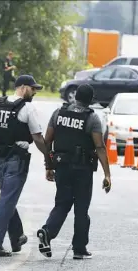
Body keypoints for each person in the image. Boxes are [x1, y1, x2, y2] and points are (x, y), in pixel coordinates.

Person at [0, 75, 48, 257]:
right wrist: (48, 156)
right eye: (33, 88)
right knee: (7, 201)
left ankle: (17, 236)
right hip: (16, 161)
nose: (34, 92)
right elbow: (37, 137)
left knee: (7, 199)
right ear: (23, 87)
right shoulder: (27, 108)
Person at [38, 84, 111, 260]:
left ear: (75, 96)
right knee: (81, 208)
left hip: (62, 166)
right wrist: (107, 174)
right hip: (82, 169)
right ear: (90, 100)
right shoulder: (92, 118)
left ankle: (47, 232)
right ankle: (79, 248)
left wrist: (48, 166)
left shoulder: (58, 113)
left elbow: (47, 142)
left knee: (62, 203)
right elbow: (99, 146)